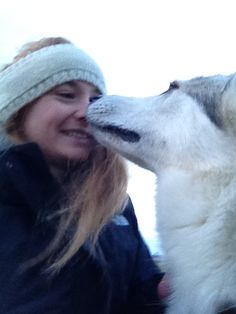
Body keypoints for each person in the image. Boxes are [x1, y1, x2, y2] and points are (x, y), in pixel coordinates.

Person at [0, 37, 165, 314]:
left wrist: (176, 289)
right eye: (66, 94)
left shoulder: (115, 206)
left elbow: (142, 295)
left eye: (95, 99)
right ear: (18, 107)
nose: (87, 111)